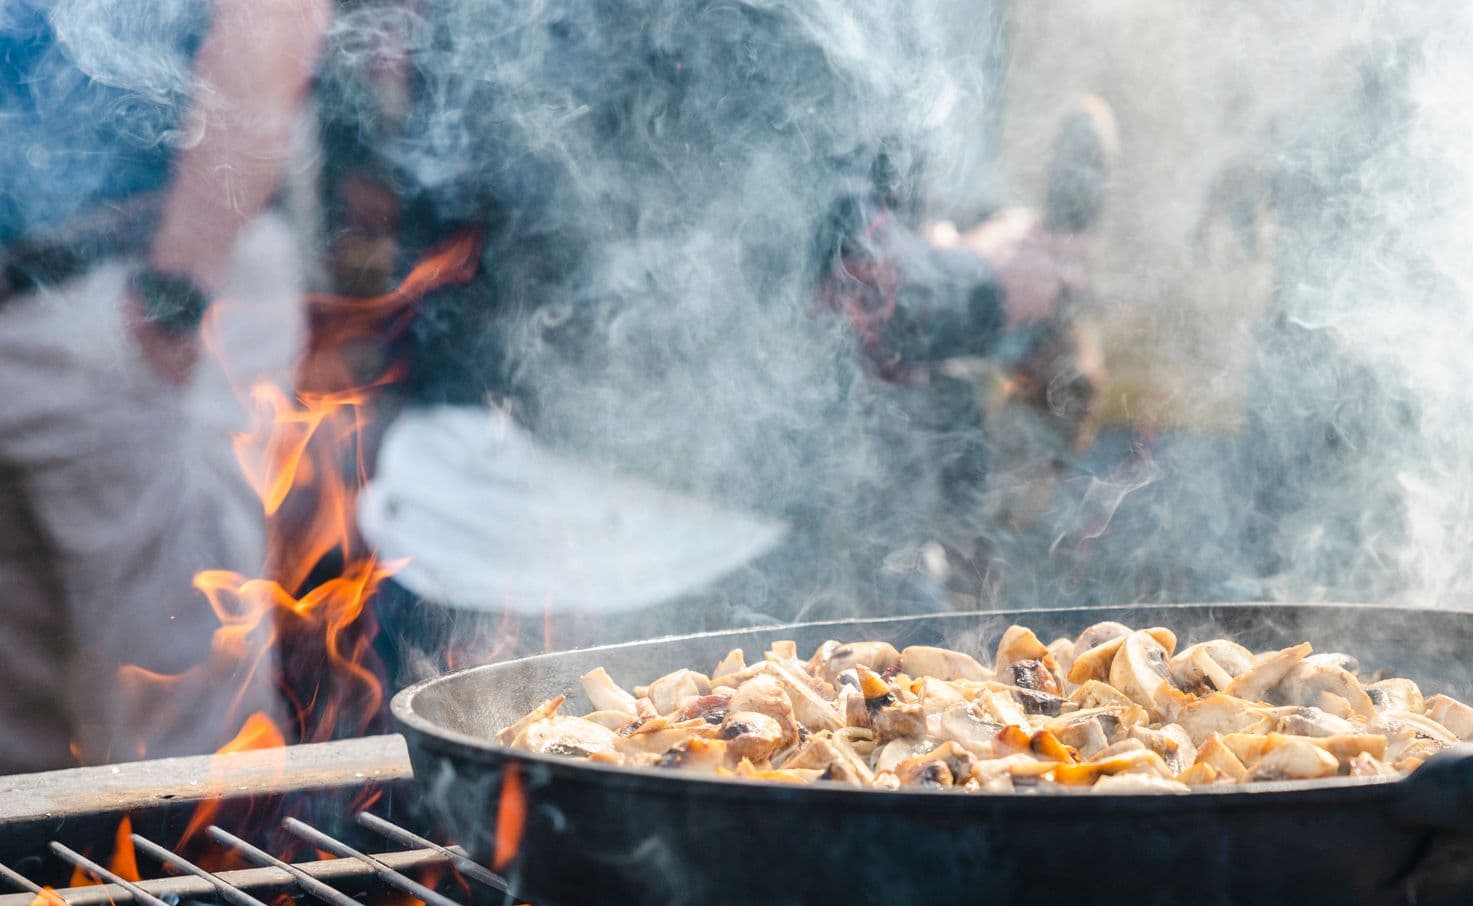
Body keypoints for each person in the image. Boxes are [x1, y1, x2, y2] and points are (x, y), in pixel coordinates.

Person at [350, 0, 1090, 681]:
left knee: (453, 818)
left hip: (439, 527)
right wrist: (990, 280)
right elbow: (846, 289)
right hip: (658, 573)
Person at [0, 0, 328, 771]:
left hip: (133, 298)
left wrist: (176, 292)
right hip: (41, 308)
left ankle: (212, 894)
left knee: (184, 714)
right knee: (21, 737)